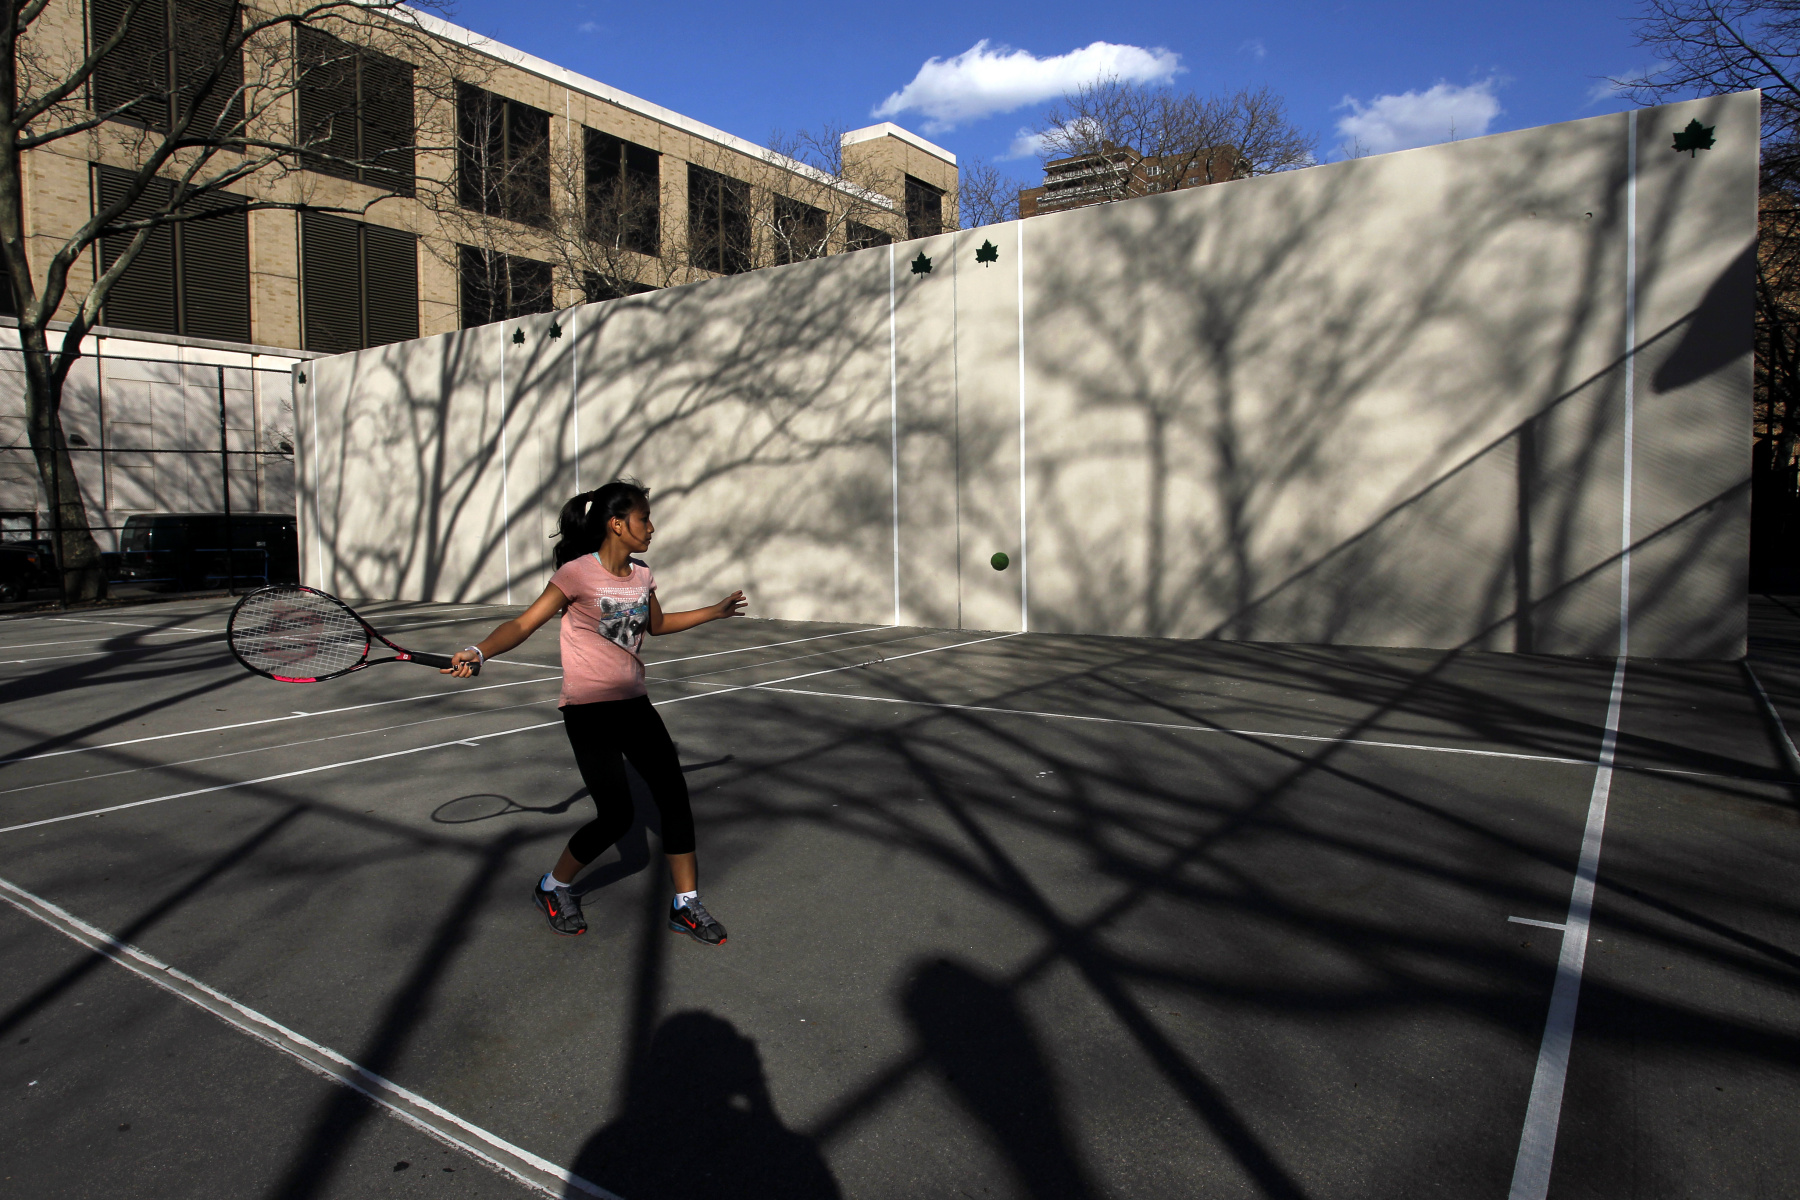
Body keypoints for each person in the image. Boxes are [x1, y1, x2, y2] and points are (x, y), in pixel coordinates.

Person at [443, 480, 746, 944]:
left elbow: (658, 625)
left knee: (674, 797)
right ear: (617, 524)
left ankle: (686, 904)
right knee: (617, 816)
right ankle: (553, 885)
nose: (651, 528)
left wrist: (715, 611)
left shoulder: (642, 575)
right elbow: (524, 623)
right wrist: (479, 651)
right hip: (588, 711)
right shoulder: (576, 575)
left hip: (634, 705)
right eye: (644, 519)